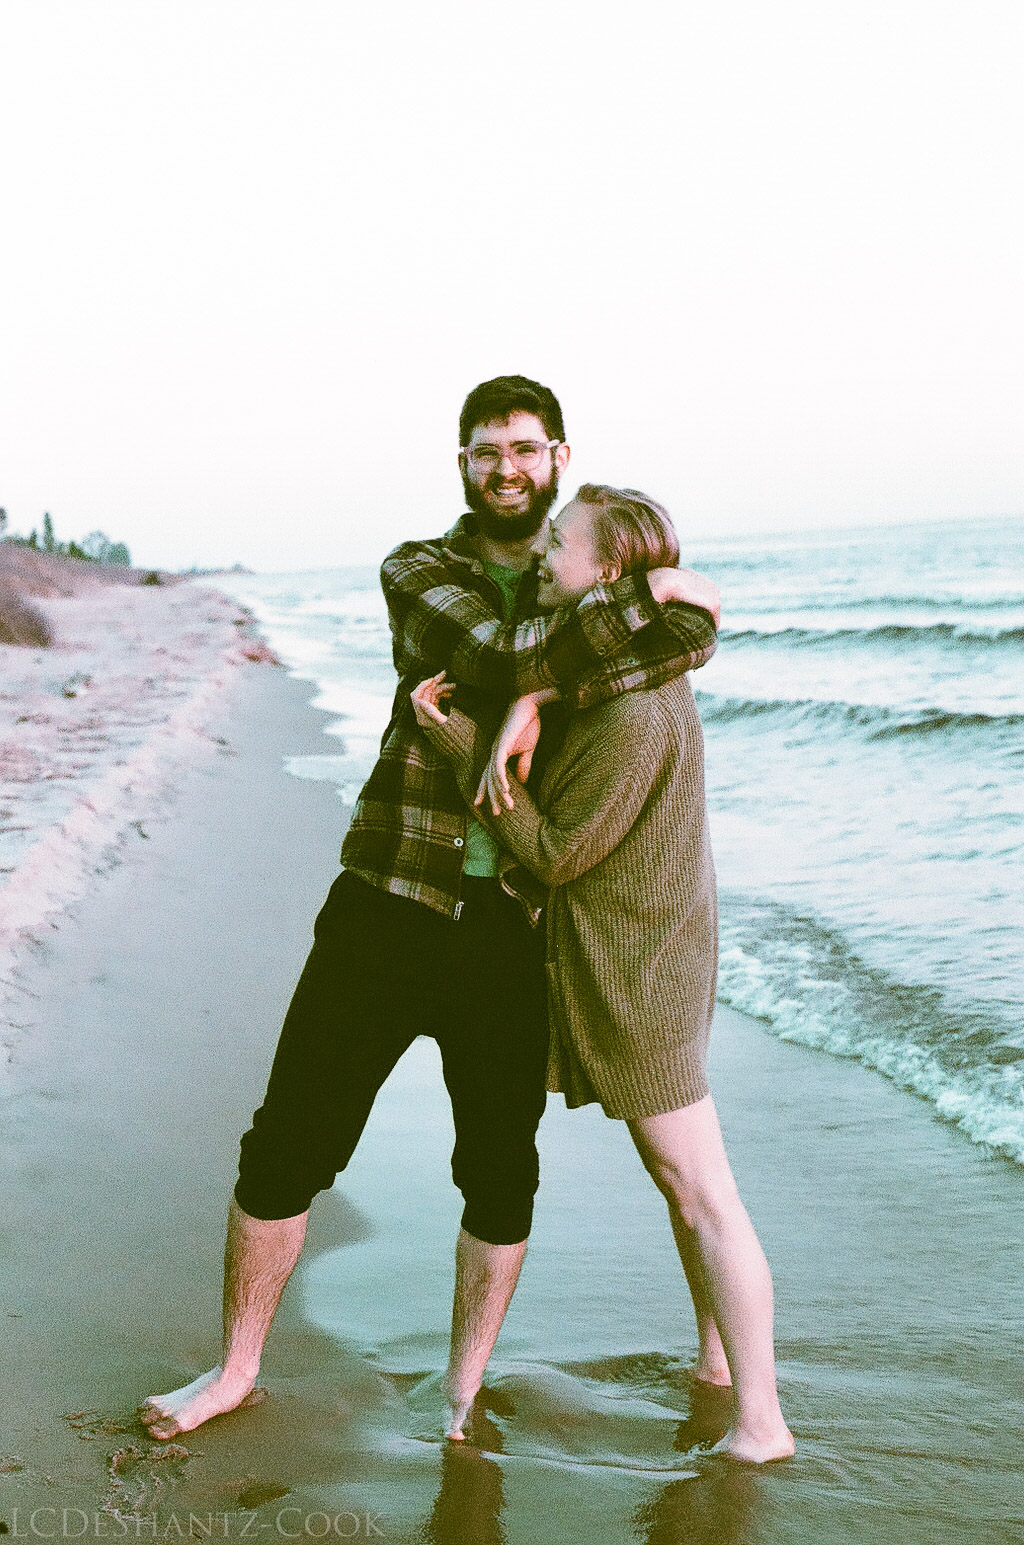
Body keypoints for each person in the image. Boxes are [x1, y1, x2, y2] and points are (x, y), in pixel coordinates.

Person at [139, 377, 721, 1442]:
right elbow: (501, 656)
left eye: (526, 449)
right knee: (287, 1143)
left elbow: (680, 651)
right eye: (486, 450)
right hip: (388, 895)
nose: (507, 468)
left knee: (499, 1171)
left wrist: (574, 671)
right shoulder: (418, 569)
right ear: (461, 462)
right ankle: (234, 1369)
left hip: (512, 922)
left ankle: (461, 1391)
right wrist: (645, 614)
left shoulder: (581, 572)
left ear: (558, 458)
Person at [412, 484, 794, 1463]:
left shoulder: (632, 710)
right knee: (683, 1185)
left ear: (610, 570)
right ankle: (716, 1365)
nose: (544, 552)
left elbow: (554, 853)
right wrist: (531, 697)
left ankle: (762, 1422)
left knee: (702, 1189)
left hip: (640, 968)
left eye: (562, 541)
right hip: (652, 947)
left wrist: (458, 741)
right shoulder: (615, 670)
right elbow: (590, 663)